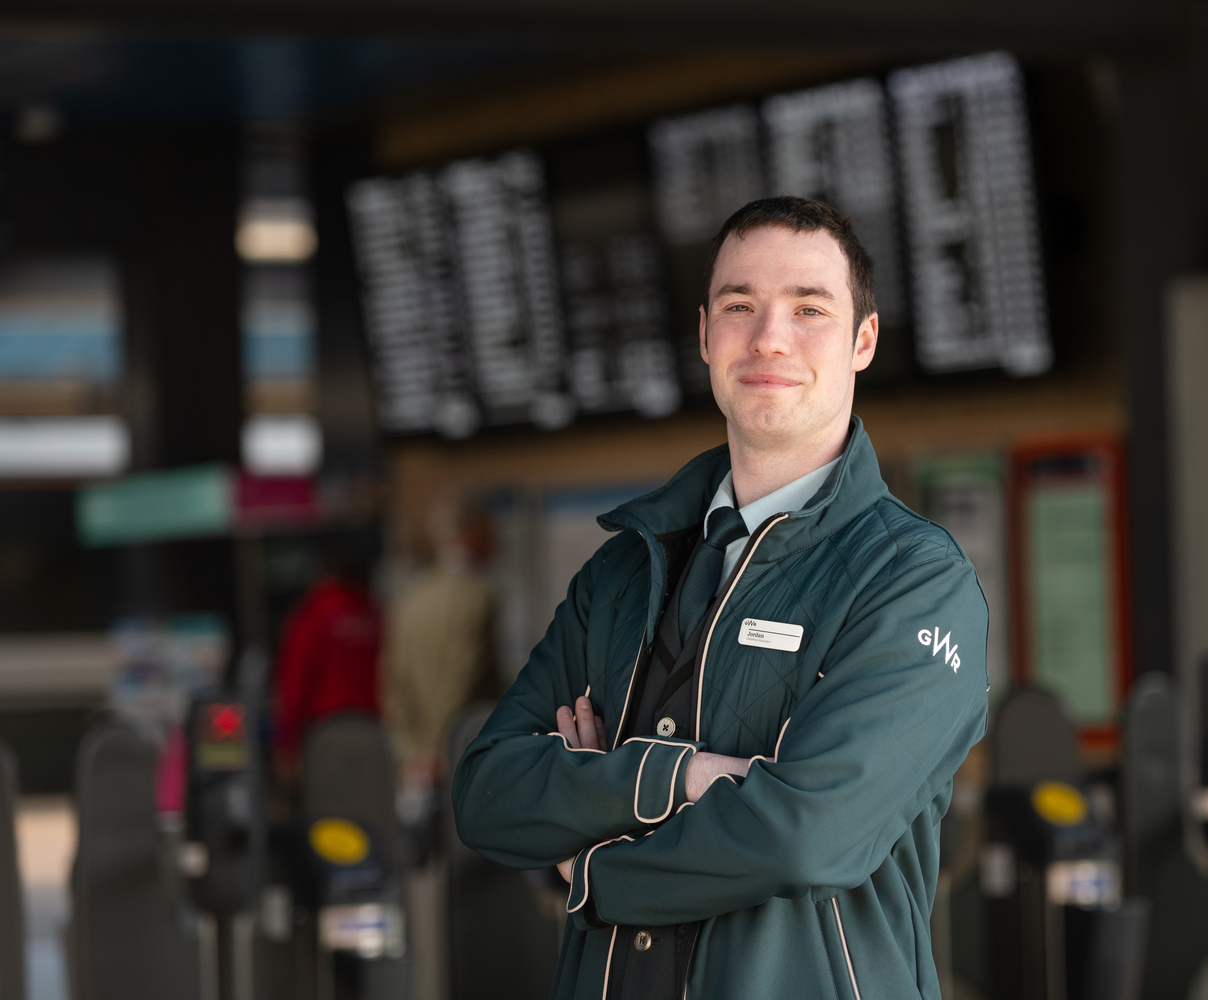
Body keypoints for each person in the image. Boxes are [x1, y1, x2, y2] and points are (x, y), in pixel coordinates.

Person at [454, 197, 990, 1000]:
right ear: (706, 334)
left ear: (863, 342)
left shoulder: (913, 582)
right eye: (741, 306)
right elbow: (487, 794)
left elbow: (804, 837)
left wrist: (593, 867)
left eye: (809, 308)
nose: (770, 337)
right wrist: (686, 778)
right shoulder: (623, 571)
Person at [385, 497, 502, 795]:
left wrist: (412, 751)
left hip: (417, 763)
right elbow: (462, 677)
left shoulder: (409, 598)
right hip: (467, 750)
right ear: (472, 531)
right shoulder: (476, 595)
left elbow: (394, 682)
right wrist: (441, 748)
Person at [272, 539, 381, 786]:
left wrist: (288, 746)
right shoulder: (376, 613)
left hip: (324, 737)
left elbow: (293, 685)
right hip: (374, 733)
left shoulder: (311, 615)